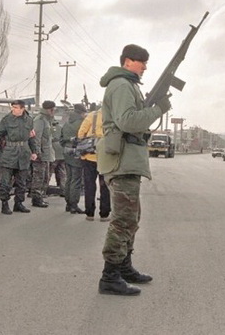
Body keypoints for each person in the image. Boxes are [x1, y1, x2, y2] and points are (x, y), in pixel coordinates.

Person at [96, 44, 171, 295]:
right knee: (123, 220)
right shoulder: (120, 85)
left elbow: (134, 122)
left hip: (128, 160)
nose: (145, 67)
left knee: (131, 218)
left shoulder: (128, 85)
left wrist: (151, 110)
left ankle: (124, 267)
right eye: (142, 62)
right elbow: (127, 121)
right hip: (123, 161)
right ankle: (110, 276)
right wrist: (157, 109)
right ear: (128, 61)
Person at [0, 100, 37, 215]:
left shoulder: (29, 120)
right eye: (12, 107)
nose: (13, 109)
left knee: (22, 182)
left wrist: (34, 151)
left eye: (15, 107)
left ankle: (18, 204)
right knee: (6, 182)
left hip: (24, 153)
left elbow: (32, 138)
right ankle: (4, 204)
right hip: (10, 152)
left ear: (22, 109)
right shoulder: (7, 119)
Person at [77, 103, 111, 222]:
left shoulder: (92, 115)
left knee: (89, 185)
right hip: (105, 158)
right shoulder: (113, 116)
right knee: (105, 186)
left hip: (89, 157)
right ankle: (104, 214)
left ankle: (90, 213)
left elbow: (80, 134)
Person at [60, 103, 87, 214]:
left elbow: (61, 139)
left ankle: (68, 203)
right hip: (77, 152)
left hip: (66, 151)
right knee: (76, 179)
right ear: (82, 112)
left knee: (69, 178)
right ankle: (73, 205)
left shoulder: (66, 123)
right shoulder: (82, 123)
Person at [31, 100, 55, 207]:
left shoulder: (46, 120)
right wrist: (37, 151)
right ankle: (36, 199)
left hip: (46, 153)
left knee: (45, 177)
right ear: (49, 109)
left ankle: (40, 197)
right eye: (52, 109)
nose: (53, 112)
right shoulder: (40, 120)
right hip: (41, 154)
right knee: (39, 177)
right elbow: (36, 137)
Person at [49, 120, 66, 197]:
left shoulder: (48, 128)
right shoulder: (61, 128)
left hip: (53, 151)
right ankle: (63, 189)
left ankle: (43, 190)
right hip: (61, 151)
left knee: (49, 172)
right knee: (62, 172)